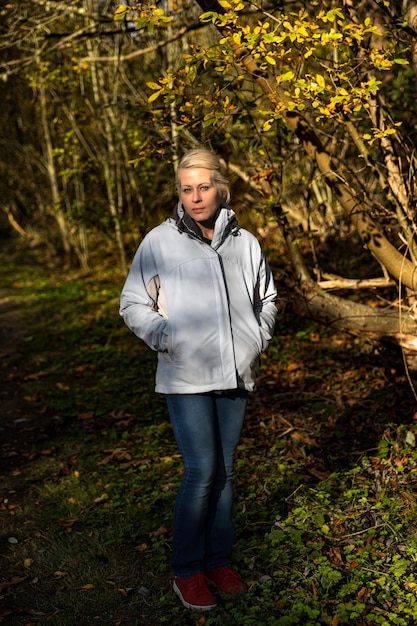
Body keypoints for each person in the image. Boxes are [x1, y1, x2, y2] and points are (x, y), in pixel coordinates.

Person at [120, 148, 277, 611]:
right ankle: (187, 570)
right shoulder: (158, 243)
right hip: (186, 376)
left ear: (221, 188)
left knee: (226, 471)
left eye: (203, 187)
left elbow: (266, 296)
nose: (195, 197)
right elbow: (132, 303)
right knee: (202, 470)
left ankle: (219, 561)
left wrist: (257, 338)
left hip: (235, 373)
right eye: (186, 189)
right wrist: (166, 337)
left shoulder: (244, 242)